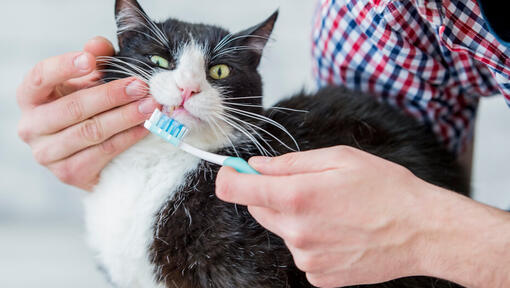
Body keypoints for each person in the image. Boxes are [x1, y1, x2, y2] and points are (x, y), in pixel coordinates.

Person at [16, 1, 509, 288]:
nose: (187, 87)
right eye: (164, 65)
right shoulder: (380, 15)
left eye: (218, 72)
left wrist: (432, 234)